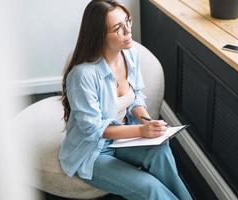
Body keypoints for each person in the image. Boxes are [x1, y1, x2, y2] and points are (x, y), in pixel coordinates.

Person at [59, 0, 193, 199]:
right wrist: (141, 131)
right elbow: (95, 130)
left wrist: (148, 124)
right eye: (118, 28)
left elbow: (136, 98)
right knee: (150, 187)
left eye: (127, 22)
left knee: (161, 150)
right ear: (99, 36)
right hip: (93, 153)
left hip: (123, 140)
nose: (128, 31)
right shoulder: (82, 76)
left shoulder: (130, 54)